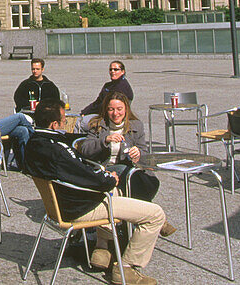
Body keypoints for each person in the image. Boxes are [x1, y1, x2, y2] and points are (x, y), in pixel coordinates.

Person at [24, 99, 165, 285]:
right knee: (155, 215)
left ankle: (103, 247)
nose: (66, 123)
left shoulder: (34, 143)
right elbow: (84, 175)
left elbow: (77, 169)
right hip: (80, 208)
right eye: (64, 119)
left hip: (59, 205)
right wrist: (108, 178)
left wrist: (103, 177)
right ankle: (127, 268)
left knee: (118, 192)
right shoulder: (56, 151)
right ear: (54, 124)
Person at [78, 92, 174, 235]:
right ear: (106, 110)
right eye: (111, 109)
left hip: (131, 170)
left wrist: (139, 154)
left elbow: (145, 153)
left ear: (126, 109)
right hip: (106, 167)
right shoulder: (97, 125)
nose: (115, 113)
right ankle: (155, 216)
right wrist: (104, 141)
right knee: (126, 171)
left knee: (151, 180)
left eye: (119, 109)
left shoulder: (136, 125)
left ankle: (147, 215)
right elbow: (85, 149)